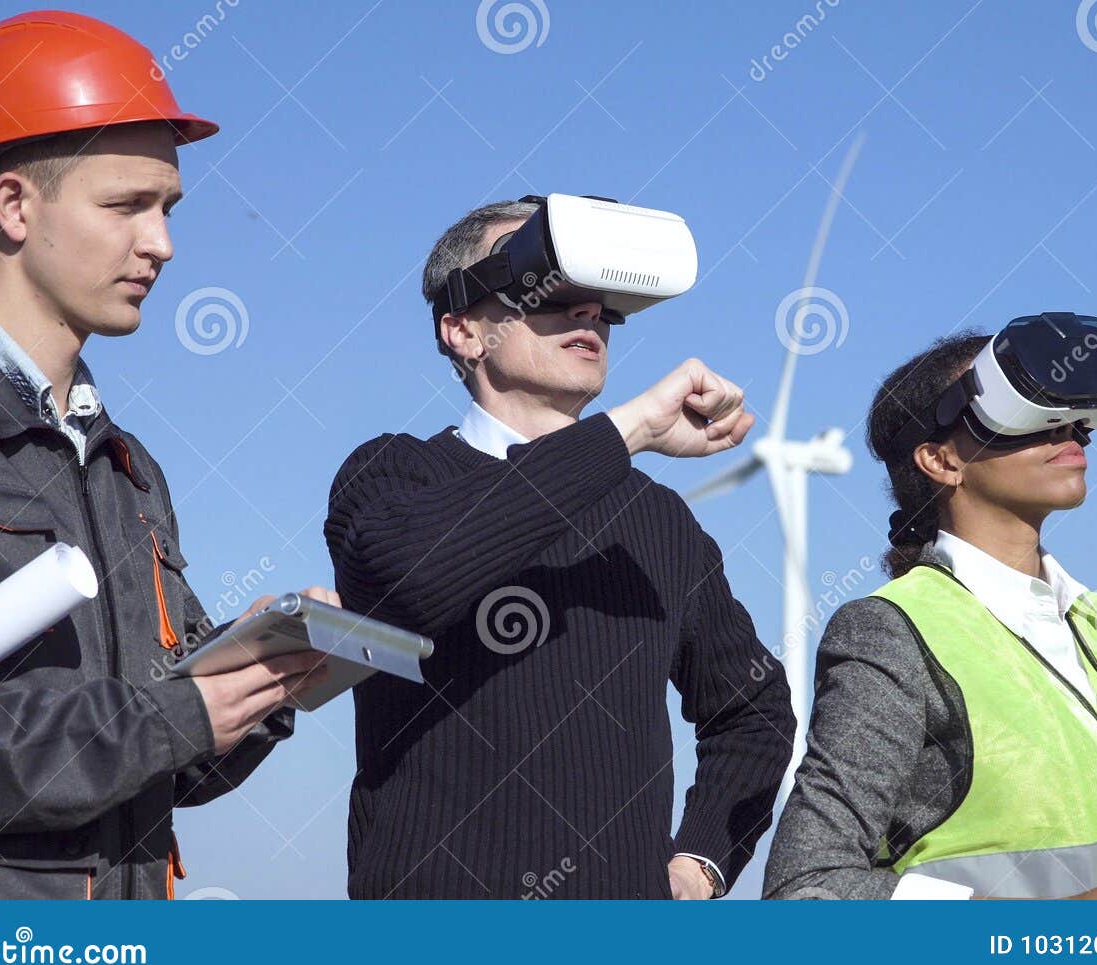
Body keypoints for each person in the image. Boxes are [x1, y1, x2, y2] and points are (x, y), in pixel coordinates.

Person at [0, 10, 335, 900]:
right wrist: (165, 718)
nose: (162, 243)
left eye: (168, 209)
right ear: (14, 206)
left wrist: (256, 684)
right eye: (126, 206)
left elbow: (158, 763)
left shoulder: (127, 467)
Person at [323, 199, 795, 899]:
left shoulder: (659, 520)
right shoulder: (392, 474)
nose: (587, 312)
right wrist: (627, 431)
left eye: (600, 299)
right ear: (463, 330)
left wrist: (701, 861)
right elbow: (410, 580)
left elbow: (754, 710)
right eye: (545, 286)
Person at [765, 322, 1097, 900]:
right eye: (1022, 407)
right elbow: (805, 887)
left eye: (1068, 409)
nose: (1065, 427)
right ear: (941, 460)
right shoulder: (892, 631)